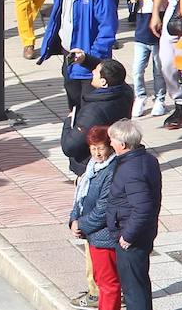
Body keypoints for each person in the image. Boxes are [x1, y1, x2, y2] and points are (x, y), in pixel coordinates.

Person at [40, 0, 119, 114]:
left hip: (89, 66)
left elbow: (108, 27)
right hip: (69, 60)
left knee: (90, 116)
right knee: (74, 112)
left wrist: (92, 59)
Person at [104, 120, 162, 310]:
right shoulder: (147, 159)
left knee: (133, 290)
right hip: (143, 233)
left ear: (122, 144)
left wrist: (127, 236)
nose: (110, 143)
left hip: (132, 237)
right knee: (140, 283)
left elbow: (143, 207)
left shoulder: (130, 170)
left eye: (112, 139)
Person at [69, 125, 121, 310]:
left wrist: (81, 224)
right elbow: (80, 197)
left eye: (101, 148)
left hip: (105, 236)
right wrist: (73, 220)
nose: (98, 153)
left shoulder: (112, 170)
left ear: (110, 146)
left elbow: (103, 209)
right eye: (93, 148)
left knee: (108, 283)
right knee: (100, 279)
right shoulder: (92, 167)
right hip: (93, 234)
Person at [62, 60, 132, 176]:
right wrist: (85, 59)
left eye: (96, 71)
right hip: (118, 155)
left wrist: (68, 122)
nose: (92, 71)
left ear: (103, 82)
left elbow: (69, 146)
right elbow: (114, 72)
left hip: (93, 165)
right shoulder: (126, 91)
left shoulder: (93, 111)